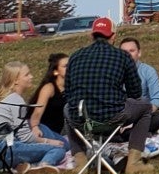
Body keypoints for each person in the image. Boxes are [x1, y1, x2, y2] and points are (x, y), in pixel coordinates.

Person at [62, 17, 154, 165]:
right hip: (112, 118)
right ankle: (134, 162)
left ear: (91, 35)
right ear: (113, 36)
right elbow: (135, 93)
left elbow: (67, 93)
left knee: (67, 108)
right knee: (145, 106)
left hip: (81, 120)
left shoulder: (75, 56)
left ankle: (79, 161)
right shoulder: (122, 56)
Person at [0, 61, 72, 172]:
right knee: (58, 150)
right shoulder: (15, 100)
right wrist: (48, 142)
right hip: (4, 151)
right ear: (16, 80)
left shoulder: (10, 98)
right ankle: (42, 166)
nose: (31, 77)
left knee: (42, 129)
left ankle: (27, 167)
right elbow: (26, 138)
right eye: (27, 75)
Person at [120, 35, 159, 145]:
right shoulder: (114, 72)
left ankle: (129, 133)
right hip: (118, 116)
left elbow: (157, 100)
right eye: (124, 51)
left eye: (131, 51)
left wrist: (136, 119)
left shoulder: (148, 71)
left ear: (139, 53)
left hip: (141, 116)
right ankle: (128, 134)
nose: (128, 54)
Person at [29, 52, 71, 150]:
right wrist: (35, 127)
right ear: (56, 71)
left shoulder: (70, 88)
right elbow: (37, 111)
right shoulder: (49, 88)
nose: (70, 68)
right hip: (44, 129)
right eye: (65, 66)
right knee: (66, 146)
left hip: (59, 132)